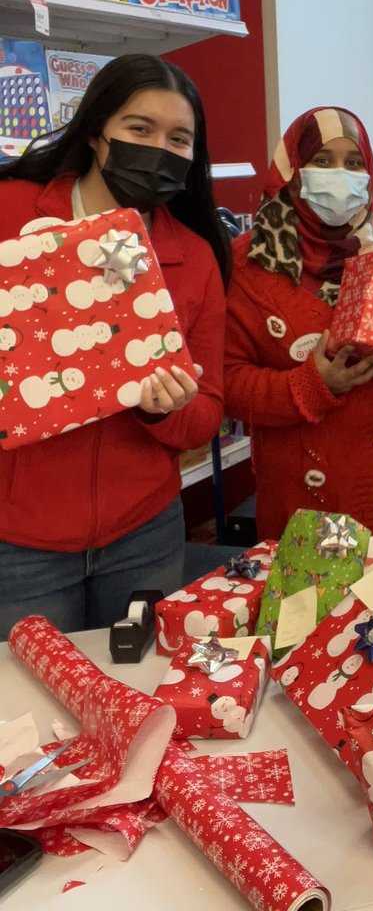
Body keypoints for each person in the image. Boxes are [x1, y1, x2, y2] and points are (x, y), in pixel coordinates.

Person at [0, 54, 230, 638]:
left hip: (144, 531)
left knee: (140, 693)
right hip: (21, 539)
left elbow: (206, 413)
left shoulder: (194, 258)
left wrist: (165, 410)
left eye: (179, 138)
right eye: (139, 129)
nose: (159, 148)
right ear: (99, 132)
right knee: (34, 713)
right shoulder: (12, 214)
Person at [223, 106, 373, 543]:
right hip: (306, 507)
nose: (340, 175)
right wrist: (313, 384)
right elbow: (228, 385)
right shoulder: (249, 265)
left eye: (354, 163)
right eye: (323, 161)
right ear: (292, 169)